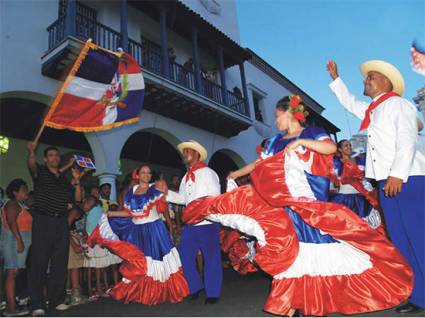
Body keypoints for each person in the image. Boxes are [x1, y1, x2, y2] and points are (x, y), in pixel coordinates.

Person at [183, 95, 414, 316]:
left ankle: (315, 303)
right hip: (280, 207)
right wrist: (236, 173)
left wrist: (302, 142)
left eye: (277, 115)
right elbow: (258, 164)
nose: (275, 121)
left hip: (308, 206)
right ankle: (294, 305)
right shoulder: (273, 142)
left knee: (314, 256)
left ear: (291, 114)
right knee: (291, 256)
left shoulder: (312, 133)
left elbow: (331, 149)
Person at [327, 60, 425, 314]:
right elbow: (349, 103)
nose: (365, 80)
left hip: (407, 178)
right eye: (366, 77)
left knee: (419, 237)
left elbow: (407, 140)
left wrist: (397, 175)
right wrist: (337, 79)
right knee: (401, 240)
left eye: (371, 77)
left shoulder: (398, 104)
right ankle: (420, 297)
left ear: (386, 82)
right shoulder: (373, 110)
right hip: (386, 181)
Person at [87, 164, 189, 305]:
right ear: (137, 175)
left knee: (156, 259)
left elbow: (165, 207)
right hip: (138, 231)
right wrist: (110, 213)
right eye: (143, 172)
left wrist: (171, 225)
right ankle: (143, 292)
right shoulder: (131, 192)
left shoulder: (156, 188)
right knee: (140, 262)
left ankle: (158, 291)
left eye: (148, 173)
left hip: (154, 230)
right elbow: (129, 213)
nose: (146, 175)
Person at [26, 143, 84, 316]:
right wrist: (31, 152)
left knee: (59, 263)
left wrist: (77, 181)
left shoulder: (63, 178)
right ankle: (37, 303)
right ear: (45, 159)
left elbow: (78, 199)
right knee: (39, 263)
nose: (55, 158)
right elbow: (30, 164)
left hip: (61, 222)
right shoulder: (41, 172)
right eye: (51, 155)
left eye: (57, 155)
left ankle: (57, 300)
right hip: (43, 220)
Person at [165, 140, 223, 304]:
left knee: (211, 258)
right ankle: (195, 286)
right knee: (185, 256)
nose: (184, 155)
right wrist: (166, 193)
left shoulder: (208, 173)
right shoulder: (185, 177)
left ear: (196, 154)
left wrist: (205, 213)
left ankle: (212, 292)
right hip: (191, 224)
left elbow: (214, 198)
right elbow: (183, 199)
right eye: (183, 152)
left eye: (187, 151)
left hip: (207, 222)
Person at [329, 139, 383, 232]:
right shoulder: (336, 163)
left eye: (350, 145)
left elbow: (367, 176)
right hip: (345, 198)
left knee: (366, 227)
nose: (349, 147)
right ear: (340, 149)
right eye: (346, 145)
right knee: (348, 225)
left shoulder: (359, 159)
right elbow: (334, 181)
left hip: (361, 197)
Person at [0, 179, 31, 316]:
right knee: (12, 272)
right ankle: (11, 308)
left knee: (14, 272)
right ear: (15, 192)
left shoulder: (20, 204)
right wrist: (19, 241)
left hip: (18, 240)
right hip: (13, 241)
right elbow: (12, 222)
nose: (26, 192)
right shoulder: (12, 204)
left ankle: (12, 304)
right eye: (23, 189)